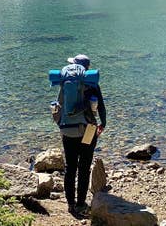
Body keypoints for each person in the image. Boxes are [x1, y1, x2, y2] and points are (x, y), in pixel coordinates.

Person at [58, 54, 105, 217]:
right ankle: (80, 204)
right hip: (88, 130)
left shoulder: (65, 82)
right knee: (84, 168)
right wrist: (102, 124)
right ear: (87, 68)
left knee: (70, 167)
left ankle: (70, 204)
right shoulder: (92, 83)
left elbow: (59, 105)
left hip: (68, 131)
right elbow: (101, 108)